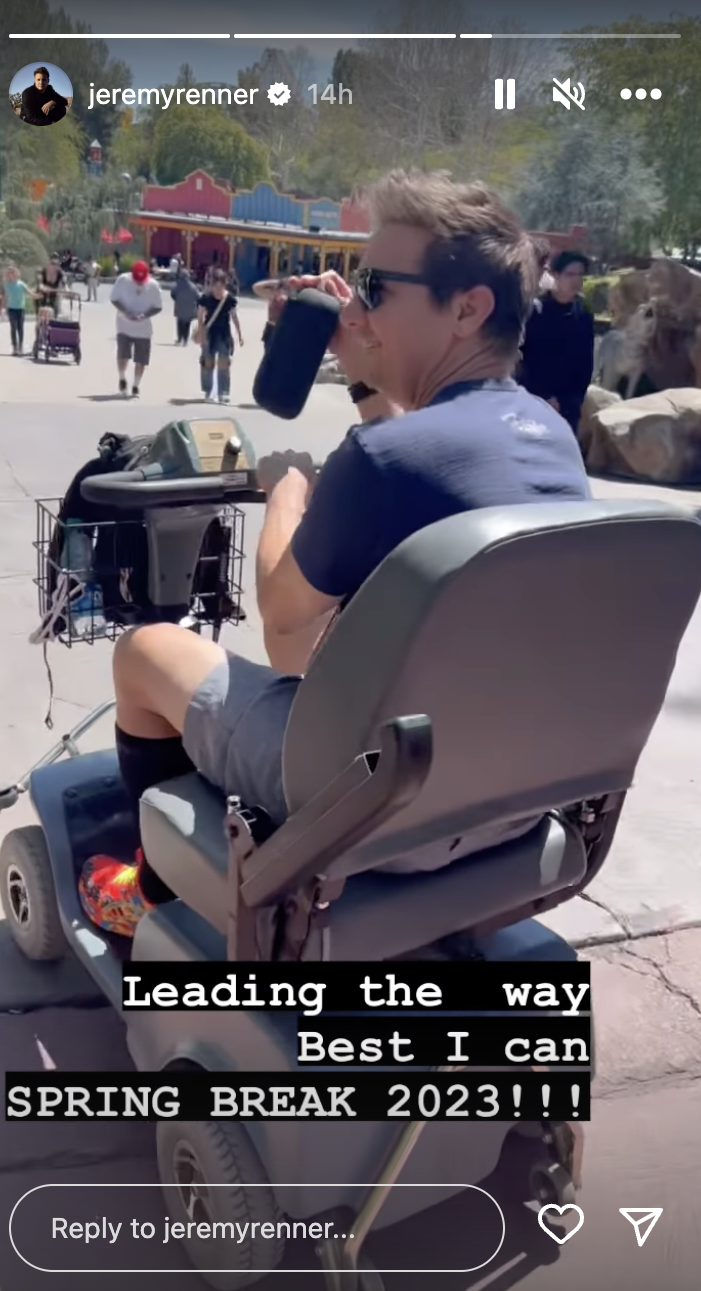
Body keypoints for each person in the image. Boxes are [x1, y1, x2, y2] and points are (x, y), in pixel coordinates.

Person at [76, 168, 591, 937]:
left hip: (367, 803)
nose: (354, 309)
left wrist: (287, 487)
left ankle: (153, 893)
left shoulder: (380, 460)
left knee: (145, 651)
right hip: (505, 796)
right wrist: (365, 370)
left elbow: (281, 612)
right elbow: (423, 459)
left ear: (467, 308)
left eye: (374, 288)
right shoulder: (550, 438)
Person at [518, 250, 595, 435]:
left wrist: (577, 397)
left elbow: (586, 359)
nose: (576, 280)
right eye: (570, 274)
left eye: (580, 275)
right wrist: (544, 395)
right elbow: (526, 359)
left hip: (571, 403)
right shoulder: (536, 311)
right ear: (555, 275)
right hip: (536, 399)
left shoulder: (583, 312)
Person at [110, 260, 163, 398]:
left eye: (141, 280)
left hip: (143, 329)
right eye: (137, 279)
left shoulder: (153, 285)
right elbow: (114, 299)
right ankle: (122, 377)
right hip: (124, 325)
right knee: (122, 354)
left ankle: (136, 385)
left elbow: (158, 307)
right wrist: (125, 311)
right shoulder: (123, 280)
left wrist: (145, 315)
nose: (139, 282)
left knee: (141, 359)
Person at [195, 267, 243, 403]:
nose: (218, 290)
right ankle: (208, 391)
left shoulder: (229, 299)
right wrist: (201, 333)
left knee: (224, 363)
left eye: (220, 287)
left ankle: (224, 392)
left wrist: (239, 335)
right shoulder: (205, 298)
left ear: (225, 284)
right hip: (209, 333)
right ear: (211, 285)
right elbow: (200, 317)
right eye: (215, 286)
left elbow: (234, 317)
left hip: (223, 333)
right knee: (207, 363)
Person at [4, 266, 37, 355]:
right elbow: (6, 297)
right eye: (9, 273)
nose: (10, 275)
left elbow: (29, 292)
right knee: (13, 328)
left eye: (12, 273)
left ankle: (20, 346)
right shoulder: (6, 284)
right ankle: (14, 347)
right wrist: (4, 308)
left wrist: (36, 296)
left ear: (15, 274)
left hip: (20, 309)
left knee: (20, 328)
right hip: (11, 309)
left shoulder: (21, 284)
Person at [171, 268, 200, 344]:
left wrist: (177, 300)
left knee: (180, 324)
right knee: (187, 325)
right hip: (190, 308)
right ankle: (185, 340)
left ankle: (179, 338)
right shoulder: (193, 286)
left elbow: (172, 294)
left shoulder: (177, 285)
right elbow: (198, 297)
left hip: (180, 307)